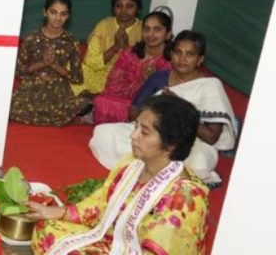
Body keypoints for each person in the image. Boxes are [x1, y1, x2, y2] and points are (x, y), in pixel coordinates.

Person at [29, 94, 207, 255]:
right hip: (111, 246)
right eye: (136, 128)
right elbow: (101, 207)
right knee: (46, 229)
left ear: (170, 144)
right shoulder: (132, 164)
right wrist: (55, 212)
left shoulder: (185, 197)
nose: (134, 136)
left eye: (144, 132)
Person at [90, 31, 236, 185]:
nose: (182, 59)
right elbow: (134, 113)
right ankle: (157, 170)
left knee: (198, 164)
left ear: (200, 59)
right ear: (171, 54)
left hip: (190, 142)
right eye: (178, 52)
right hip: (153, 134)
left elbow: (211, 137)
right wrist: (157, 108)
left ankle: (148, 168)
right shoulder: (160, 77)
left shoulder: (211, 85)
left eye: (190, 54)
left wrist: (179, 106)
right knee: (103, 133)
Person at [10, 0, 90, 126]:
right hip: (32, 89)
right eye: (53, 12)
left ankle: (53, 115)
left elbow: (77, 78)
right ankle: (61, 117)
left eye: (63, 14)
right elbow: (19, 71)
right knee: (8, 104)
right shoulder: (31, 38)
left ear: (68, 16)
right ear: (44, 12)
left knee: (85, 103)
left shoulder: (71, 41)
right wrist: (42, 63)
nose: (58, 18)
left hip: (58, 91)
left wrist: (54, 66)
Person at [93, 9, 173, 125]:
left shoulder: (170, 61)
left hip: (150, 107)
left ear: (168, 34)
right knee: (101, 101)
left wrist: (150, 83)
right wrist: (141, 82)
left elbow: (167, 96)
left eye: (157, 29)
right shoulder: (129, 53)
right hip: (123, 101)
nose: (150, 34)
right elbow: (112, 85)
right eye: (146, 29)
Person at [73, 0, 143, 96]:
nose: (124, 11)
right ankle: (96, 95)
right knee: (74, 69)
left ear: (138, 9)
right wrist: (115, 47)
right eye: (119, 6)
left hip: (126, 78)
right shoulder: (104, 26)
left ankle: (95, 97)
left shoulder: (143, 30)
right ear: (113, 8)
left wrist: (125, 47)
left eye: (130, 6)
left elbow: (141, 66)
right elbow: (90, 62)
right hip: (102, 75)